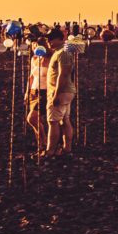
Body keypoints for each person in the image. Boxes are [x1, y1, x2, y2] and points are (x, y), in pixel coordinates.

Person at [44, 31, 77, 159]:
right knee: (65, 120)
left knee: (53, 121)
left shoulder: (63, 52)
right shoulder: (59, 52)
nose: (49, 43)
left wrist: (56, 94)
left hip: (61, 92)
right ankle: (67, 148)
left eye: (50, 40)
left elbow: (63, 74)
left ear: (58, 39)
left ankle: (50, 151)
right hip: (66, 91)